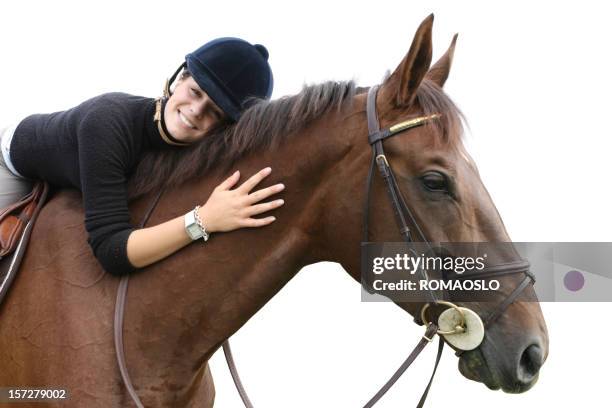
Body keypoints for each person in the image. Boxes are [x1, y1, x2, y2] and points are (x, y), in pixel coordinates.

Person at [0, 37, 285, 276]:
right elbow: (111, 251)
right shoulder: (108, 122)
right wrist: (203, 220)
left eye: (214, 111)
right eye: (195, 91)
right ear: (179, 78)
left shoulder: (198, 152)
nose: (196, 110)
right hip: (15, 167)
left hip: (77, 175)